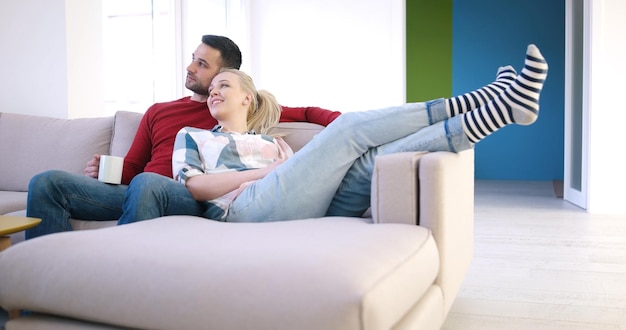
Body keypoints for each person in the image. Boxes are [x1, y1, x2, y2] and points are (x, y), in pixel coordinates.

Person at [132, 43, 546, 224]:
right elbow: (197, 188)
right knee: (349, 130)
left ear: (248, 100)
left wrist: (284, 165)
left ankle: (503, 110)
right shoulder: (193, 134)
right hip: (242, 211)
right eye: (212, 86)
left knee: (376, 161)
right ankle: (487, 98)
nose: (213, 91)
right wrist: (263, 174)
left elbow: (299, 168)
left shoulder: (273, 142)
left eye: (225, 84)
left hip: (300, 201)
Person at [25, 35, 341, 239]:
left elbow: (310, 112)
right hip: (139, 189)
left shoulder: (231, 108)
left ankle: (119, 275)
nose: (190, 67)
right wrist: (107, 170)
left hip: (184, 195)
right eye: (193, 58)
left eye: (202, 64)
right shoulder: (159, 111)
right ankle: (41, 289)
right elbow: (135, 169)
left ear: (223, 75)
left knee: (148, 184)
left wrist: (345, 124)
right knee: (46, 182)